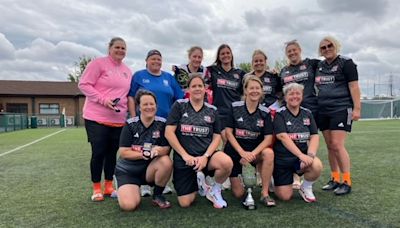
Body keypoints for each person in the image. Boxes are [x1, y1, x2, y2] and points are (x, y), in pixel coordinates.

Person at [165, 74, 233, 209]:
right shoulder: (179, 105)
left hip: (206, 158)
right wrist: (185, 155)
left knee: (226, 162)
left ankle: (215, 189)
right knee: (185, 203)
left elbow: (217, 136)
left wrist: (206, 156)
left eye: (200, 86)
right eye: (194, 86)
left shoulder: (212, 110)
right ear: (188, 89)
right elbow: (169, 133)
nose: (197, 89)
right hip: (185, 159)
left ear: (205, 88)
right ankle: (201, 184)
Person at [78, 37, 132, 201]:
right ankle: (96, 188)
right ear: (109, 48)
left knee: (112, 154)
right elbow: (84, 84)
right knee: (99, 153)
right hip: (96, 118)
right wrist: (103, 99)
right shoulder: (98, 64)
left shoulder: (127, 70)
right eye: (117, 47)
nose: (120, 50)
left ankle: (109, 186)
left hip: (118, 120)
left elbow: (126, 94)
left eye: (123, 48)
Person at [128, 49, 183, 196]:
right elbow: (131, 98)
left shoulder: (169, 78)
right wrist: (134, 119)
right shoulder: (139, 75)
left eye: (159, 59)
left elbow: (179, 98)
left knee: (163, 153)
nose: (156, 61)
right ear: (146, 61)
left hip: (166, 124)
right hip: (144, 122)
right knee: (142, 151)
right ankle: (143, 184)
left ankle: (162, 183)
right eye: (153, 59)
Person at [315, 36, 361, 195]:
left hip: (341, 108)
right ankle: (335, 178)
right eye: (323, 47)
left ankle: (346, 180)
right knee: (329, 146)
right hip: (323, 109)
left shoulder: (346, 63)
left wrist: (357, 108)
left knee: (337, 144)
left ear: (336, 46)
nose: (327, 49)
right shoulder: (319, 65)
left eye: (329, 45)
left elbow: (354, 87)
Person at [115, 90, 173, 211]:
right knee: (128, 206)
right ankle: (125, 188)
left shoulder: (162, 124)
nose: (149, 107)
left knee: (166, 161)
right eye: (145, 104)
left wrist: (159, 150)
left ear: (156, 106)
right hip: (129, 171)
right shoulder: (130, 124)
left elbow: (166, 148)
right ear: (139, 107)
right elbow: (124, 152)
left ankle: (157, 195)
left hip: (149, 170)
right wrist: (143, 154)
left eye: (152, 104)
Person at [225, 75, 276, 206]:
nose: (254, 91)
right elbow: (229, 133)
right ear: (245, 90)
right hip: (236, 153)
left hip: (255, 153)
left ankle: (265, 194)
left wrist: (252, 154)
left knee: (269, 153)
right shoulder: (235, 107)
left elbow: (268, 138)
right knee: (238, 194)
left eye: (257, 88)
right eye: (251, 88)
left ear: (261, 91)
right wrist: (242, 153)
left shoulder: (265, 112)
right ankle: (238, 180)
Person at [279, 40, 320, 189]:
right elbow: (279, 90)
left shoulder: (311, 64)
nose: (292, 53)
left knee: (306, 140)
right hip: (289, 110)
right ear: (286, 54)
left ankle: (303, 173)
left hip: (309, 108)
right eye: (289, 51)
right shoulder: (283, 71)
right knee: (291, 140)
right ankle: (294, 175)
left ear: (300, 50)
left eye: (294, 50)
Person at [273, 83, 323, 203]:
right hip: (283, 161)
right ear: (285, 97)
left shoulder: (307, 113)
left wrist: (310, 155)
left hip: (299, 162)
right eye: (291, 94)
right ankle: (275, 179)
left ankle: (305, 186)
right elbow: (282, 137)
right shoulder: (279, 114)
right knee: (285, 197)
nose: (294, 96)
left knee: (316, 165)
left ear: (302, 96)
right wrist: (300, 155)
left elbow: (314, 135)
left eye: (298, 93)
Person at [205, 44, 246, 142]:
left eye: (228, 53)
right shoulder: (213, 70)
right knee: (227, 141)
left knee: (237, 143)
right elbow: (197, 68)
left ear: (231, 55)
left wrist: (270, 71)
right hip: (220, 113)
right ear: (219, 57)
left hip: (236, 113)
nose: (225, 55)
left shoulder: (240, 73)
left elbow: (252, 81)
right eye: (222, 54)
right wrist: (179, 70)